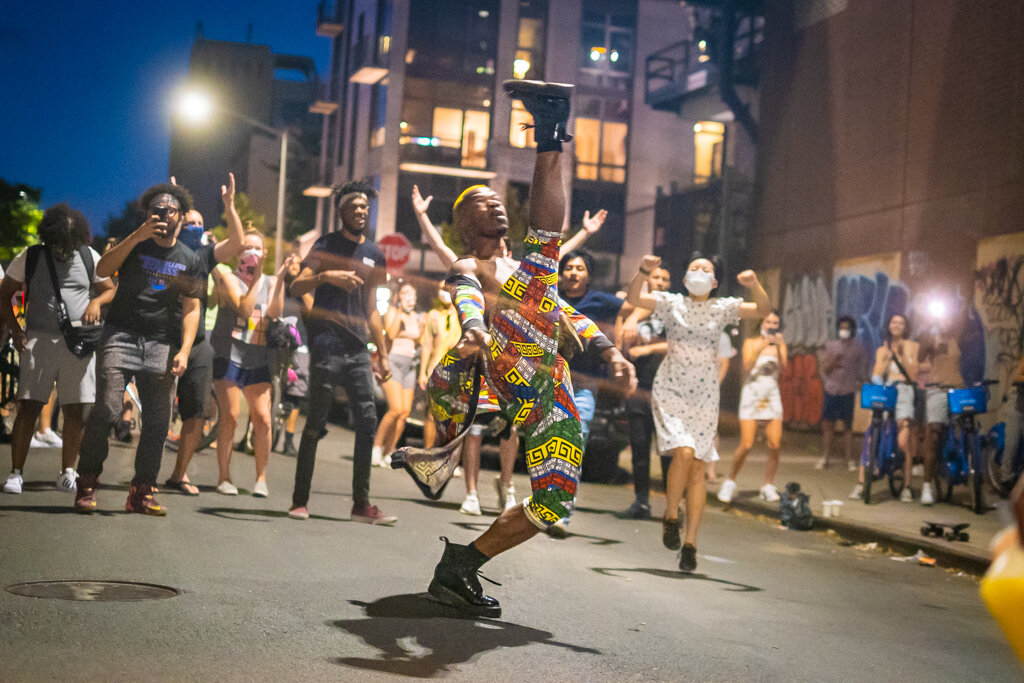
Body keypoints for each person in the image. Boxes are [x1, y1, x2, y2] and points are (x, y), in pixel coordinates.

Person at [409, 80, 635, 616]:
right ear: (465, 225)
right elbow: (467, 300)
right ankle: (550, 127)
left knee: (554, 499)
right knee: (547, 245)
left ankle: (461, 565)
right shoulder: (470, 267)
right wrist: (472, 330)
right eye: (485, 206)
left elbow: (565, 313)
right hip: (515, 377)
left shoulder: (527, 272)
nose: (497, 209)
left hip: (552, 383)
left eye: (499, 203)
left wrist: (611, 353)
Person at [628, 254, 768, 572]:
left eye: (707, 270)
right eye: (694, 268)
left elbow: (762, 310)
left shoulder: (723, 308)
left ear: (715, 282)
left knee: (698, 468)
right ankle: (671, 515)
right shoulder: (670, 302)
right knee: (684, 451)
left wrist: (755, 285)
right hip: (672, 388)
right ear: (685, 277)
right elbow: (635, 297)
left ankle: (690, 543)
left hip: (705, 394)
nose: (700, 272)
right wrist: (643, 271)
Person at [74, 183, 204, 515]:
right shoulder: (133, 243)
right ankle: (87, 482)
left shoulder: (189, 259)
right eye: (155, 210)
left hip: (161, 342)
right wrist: (136, 236)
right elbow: (102, 271)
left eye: (168, 210)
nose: (162, 215)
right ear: (146, 214)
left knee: (159, 421)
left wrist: (185, 349)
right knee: (106, 409)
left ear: (181, 216)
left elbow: (192, 308)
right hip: (120, 335)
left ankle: (141, 492)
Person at [288, 179, 394, 523]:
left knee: (367, 420)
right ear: (341, 211)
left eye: (365, 207)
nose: (361, 212)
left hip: (357, 347)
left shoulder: (375, 254)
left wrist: (383, 353)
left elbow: (373, 308)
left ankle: (361, 505)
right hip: (326, 342)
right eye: (354, 207)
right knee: (316, 421)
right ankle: (299, 500)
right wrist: (326, 277)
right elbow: (297, 284)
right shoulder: (325, 245)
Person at [0, 204, 115, 494]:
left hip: (79, 343)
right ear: (47, 238)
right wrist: (15, 329)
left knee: (76, 409)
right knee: (29, 406)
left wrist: (95, 302)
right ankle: (16, 473)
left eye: (70, 243)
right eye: (58, 243)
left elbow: (110, 288)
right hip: (38, 340)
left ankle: (67, 473)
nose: (64, 249)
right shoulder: (31, 256)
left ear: (79, 239)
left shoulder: (89, 257)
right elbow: (3, 295)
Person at [164, 174, 245, 496]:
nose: (195, 226)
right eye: (189, 221)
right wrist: (172, 197)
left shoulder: (205, 255)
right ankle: (144, 475)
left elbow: (237, 244)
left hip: (197, 343)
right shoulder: (163, 250)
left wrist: (229, 206)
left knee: (196, 412)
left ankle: (179, 474)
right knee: (159, 411)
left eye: (200, 222)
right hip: (162, 338)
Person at [208, 231, 288, 497]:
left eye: (257, 247)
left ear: (265, 253)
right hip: (229, 353)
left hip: (259, 357)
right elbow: (244, 309)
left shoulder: (273, 280)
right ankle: (224, 477)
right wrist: (255, 280)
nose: (252, 252)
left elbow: (274, 313)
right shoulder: (228, 277)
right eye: (247, 247)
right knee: (230, 415)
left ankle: (261, 479)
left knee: (263, 418)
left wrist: (280, 280)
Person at [616, 264, 671, 519]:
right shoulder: (632, 310)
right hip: (638, 388)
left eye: (664, 279)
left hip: (667, 390)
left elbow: (678, 343)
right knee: (639, 446)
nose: (659, 281)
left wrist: (647, 350)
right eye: (654, 277)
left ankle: (673, 506)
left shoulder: (672, 311)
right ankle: (641, 501)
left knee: (668, 451)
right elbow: (620, 343)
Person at [718, 310, 788, 504]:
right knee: (747, 444)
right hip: (752, 395)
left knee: (775, 443)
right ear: (762, 323)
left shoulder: (780, 344)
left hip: (771, 395)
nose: (771, 325)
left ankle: (768, 484)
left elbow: (785, 369)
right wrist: (762, 347)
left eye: (775, 322)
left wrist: (779, 348)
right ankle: (730, 481)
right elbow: (747, 366)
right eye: (768, 321)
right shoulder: (751, 342)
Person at [851, 313, 920, 501]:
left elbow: (913, 375)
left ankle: (906, 486)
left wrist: (902, 353)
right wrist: (886, 359)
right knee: (871, 434)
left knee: (903, 441)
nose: (896, 325)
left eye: (901, 323)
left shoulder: (913, 346)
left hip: (904, 390)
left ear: (905, 327)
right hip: (886, 390)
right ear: (889, 326)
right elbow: (876, 376)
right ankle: (861, 483)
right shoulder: (882, 349)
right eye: (893, 322)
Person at [371, 281, 424, 466]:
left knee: (404, 413)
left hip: (409, 366)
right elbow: (391, 334)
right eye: (406, 294)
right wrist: (400, 311)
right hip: (392, 362)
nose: (410, 297)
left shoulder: (417, 317)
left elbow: (417, 343)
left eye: (412, 294)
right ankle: (376, 448)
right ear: (399, 296)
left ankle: (390, 450)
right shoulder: (394, 312)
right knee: (394, 409)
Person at [919, 315, 964, 506]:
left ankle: (969, 473)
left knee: (968, 429)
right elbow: (920, 356)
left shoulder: (958, 337)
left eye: (949, 318)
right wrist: (930, 337)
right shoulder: (931, 338)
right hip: (937, 389)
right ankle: (927, 486)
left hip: (958, 389)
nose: (947, 321)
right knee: (934, 434)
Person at [817, 316, 869, 471]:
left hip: (848, 390)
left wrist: (861, 382)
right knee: (828, 424)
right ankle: (825, 456)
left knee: (848, 426)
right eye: (841, 328)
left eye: (847, 328)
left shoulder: (858, 348)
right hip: (831, 389)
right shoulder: (831, 346)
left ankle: (849, 459)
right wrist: (833, 361)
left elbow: (863, 369)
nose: (844, 331)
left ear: (852, 330)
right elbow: (825, 370)